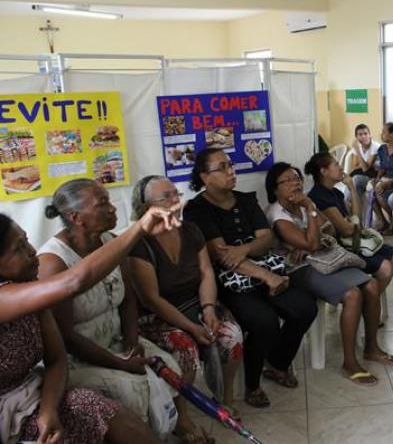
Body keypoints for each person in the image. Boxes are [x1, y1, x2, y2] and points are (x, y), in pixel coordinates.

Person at [37, 179, 212, 444]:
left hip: (119, 340)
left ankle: (179, 423)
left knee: (171, 367)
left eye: (109, 199)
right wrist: (120, 363)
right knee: (133, 388)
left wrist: (131, 341)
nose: (112, 208)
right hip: (79, 356)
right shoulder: (53, 262)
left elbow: (129, 300)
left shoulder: (111, 241)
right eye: (102, 204)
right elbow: (65, 337)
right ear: (76, 217)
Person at [0, 207, 179, 444]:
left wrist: (48, 410)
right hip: (6, 412)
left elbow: (56, 360)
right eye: (18, 249)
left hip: (34, 394)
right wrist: (139, 228)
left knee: (108, 414)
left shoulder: (31, 292)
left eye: (27, 242)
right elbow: (75, 282)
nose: (32, 252)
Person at [183, 148, 317, 409]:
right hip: (230, 284)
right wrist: (265, 275)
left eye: (230, 165)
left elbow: (266, 239)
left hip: (264, 270)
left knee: (305, 308)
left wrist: (244, 249)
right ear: (204, 176)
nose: (231, 171)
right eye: (221, 167)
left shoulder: (246, 200)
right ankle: (252, 385)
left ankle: (277, 363)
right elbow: (222, 256)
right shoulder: (197, 210)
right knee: (264, 322)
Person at [266, 162, 393, 383]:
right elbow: (312, 241)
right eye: (286, 181)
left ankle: (371, 347)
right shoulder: (276, 213)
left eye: (296, 178)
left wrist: (308, 235)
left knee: (372, 286)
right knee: (352, 294)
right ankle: (349, 361)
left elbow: (329, 228)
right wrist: (310, 215)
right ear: (274, 189)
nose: (294, 184)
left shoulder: (301, 204)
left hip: (326, 259)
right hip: (300, 269)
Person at [127, 176, 245, 415]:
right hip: (158, 315)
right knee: (186, 349)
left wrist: (209, 308)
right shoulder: (139, 243)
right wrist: (192, 327)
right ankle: (181, 416)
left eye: (176, 195)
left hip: (196, 304)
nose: (175, 201)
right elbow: (151, 299)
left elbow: (206, 272)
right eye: (166, 197)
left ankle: (225, 396)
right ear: (147, 207)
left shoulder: (191, 230)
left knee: (232, 337)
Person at [305, 151, 393, 364]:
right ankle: (369, 307)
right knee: (385, 268)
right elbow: (347, 229)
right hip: (345, 249)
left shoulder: (336, 192)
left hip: (358, 242)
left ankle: (370, 307)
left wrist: (351, 188)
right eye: (335, 165)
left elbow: (356, 216)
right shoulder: (319, 196)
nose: (341, 168)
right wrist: (354, 223)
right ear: (323, 171)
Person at [349, 123, 380, 201]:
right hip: (361, 174)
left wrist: (357, 151)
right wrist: (365, 164)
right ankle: (352, 207)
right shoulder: (358, 146)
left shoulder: (375, 146)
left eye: (365, 134)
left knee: (356, 179)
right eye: (360, 134)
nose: (363, 136)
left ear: (370, 135)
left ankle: (351, 205)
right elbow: (353, 167)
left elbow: (365, 169)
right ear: (356, 137)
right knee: (351, 183)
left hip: (374, 177)